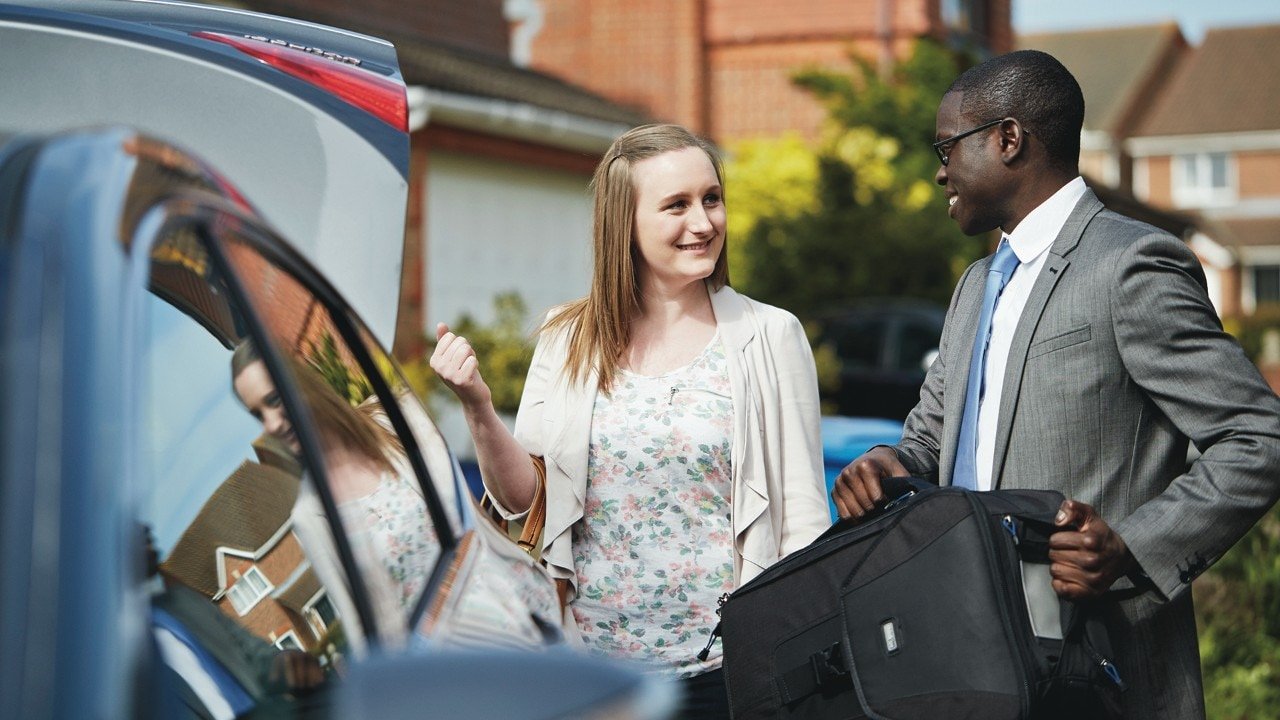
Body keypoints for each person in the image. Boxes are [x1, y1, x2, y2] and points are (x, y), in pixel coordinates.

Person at [831, 49, 1280, 719]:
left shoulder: (1129, 264)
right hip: (969, 656)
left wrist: (1131, 548)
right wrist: (887, 464)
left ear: (1009, 140)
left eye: (947, 146)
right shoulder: (976, 283)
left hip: (1098, 667)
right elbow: (929, 437)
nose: (938, 170)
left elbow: (1257, 435)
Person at [430, 123, 830, 717]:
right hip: (591, 674)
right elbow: (526, 504)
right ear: (625, 222)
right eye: (676, 205)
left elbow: (804, 521)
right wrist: (478, 407)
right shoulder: (568, 340)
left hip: (726, 674)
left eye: (711, 199)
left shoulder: (769, 336)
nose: (703, 222)